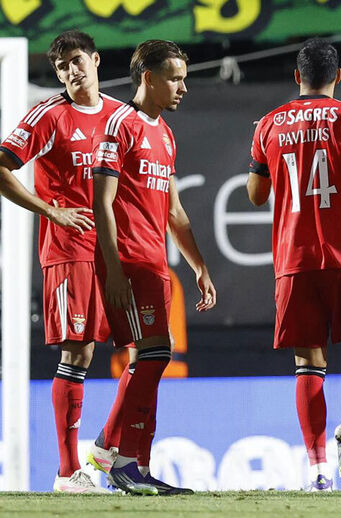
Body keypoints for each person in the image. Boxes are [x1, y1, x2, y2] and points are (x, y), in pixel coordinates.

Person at [247, 38, 341, 491]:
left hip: (295, 258)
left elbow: (256, 194)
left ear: (296, 76)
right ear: (337, 77)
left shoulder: (269, 124)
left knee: (309, 363)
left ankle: (319, 469)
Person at [90, 39, 216, 495]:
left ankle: (119, 455)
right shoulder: (119, 126)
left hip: (155, 261)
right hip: (129, 261)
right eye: (175, 78)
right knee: (155, 354)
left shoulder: (165, 133)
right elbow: (101, 204)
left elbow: (174, 211)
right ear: (148, 77)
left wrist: (199, 265)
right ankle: (123, 461)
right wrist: (114, 269)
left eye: (184, 78)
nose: (183, 87)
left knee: (152, 357)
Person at [0, 30, 118, 494]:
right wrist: (50, 211)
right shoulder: (49, 115)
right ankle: (69, 472)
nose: (71, 71)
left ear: (95, 58)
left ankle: (109, 451)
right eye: (61, 66)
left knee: (142, 347)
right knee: (77, 351)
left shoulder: (117, 115)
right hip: (68, 251)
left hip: (113, 250)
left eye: (76, 61)